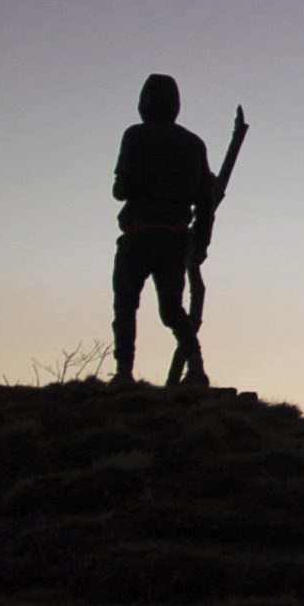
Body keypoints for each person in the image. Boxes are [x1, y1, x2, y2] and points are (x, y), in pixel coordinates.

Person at [111, 73, 214, 386]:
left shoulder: (136, 136)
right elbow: (205, 201)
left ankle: (124, 372)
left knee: (126, 303)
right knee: (172, 309)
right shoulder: (194, 144)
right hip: (176, 237)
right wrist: (201, 243)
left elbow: (122, 188)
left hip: (140, 232)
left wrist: (123, 186)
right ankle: (196, 367)